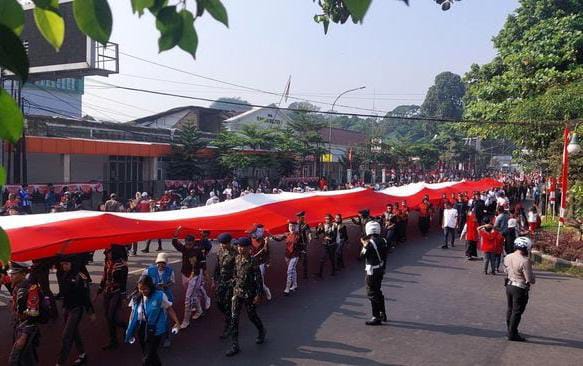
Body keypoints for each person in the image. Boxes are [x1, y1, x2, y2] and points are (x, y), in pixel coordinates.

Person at [125, 275, 181, 366]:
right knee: (150, 355)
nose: (143, 291)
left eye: (145, 289)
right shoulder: (136, 297)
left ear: (150, 287)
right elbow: (133, 314)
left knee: (147, 359)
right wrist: (129, 330)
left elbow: (169, 308)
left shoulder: (159, 296)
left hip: (155, 329)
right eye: (140, 289)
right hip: (142, 328)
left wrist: (177, 322)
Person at [226, 237, 266, 357]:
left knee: (252, 316)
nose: (239, 248)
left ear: (249, 248)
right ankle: (234, 345)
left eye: (242, 246)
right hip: (237, 293)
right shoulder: (237, 259)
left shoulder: (253, 261)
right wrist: (232, 283)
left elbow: (259, 279)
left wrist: (259, 295)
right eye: (238, 246)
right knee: (234, 318)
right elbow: (235, 273)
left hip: (249, 293)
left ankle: (261, 330)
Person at [56, 255, 95, 366]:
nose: (64, 266)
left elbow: (85, 296)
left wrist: (90, 311)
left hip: (76, 309)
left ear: (72, 264)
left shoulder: (80, 277)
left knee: (66, 336)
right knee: (74, 333)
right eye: (62, 264)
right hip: (67, 308)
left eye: (66, 264)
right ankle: (82, 354)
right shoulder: (63, 274)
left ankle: (60, 362)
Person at [8, 261, 41, 366]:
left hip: (26, 329)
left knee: (14, 360)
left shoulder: (29, 288)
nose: (11, 276)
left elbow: (33, 313)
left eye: (14, 274)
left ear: (23, 274)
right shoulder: (18, 287)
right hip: (19, 326)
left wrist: (24, 335)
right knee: (27, 358)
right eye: (11, 273)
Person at [96, 245, 129, 350]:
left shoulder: (122, 266)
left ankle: (126, 327)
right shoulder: (108, 262)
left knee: (111, 317)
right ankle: (113, 340)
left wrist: (123, 298)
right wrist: (99, 290)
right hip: (107, 292)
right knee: (107, 317)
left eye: (108, 251)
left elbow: (123, 283)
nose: (106, 253)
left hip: (117, 292)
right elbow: (104, 277)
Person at [504, 236, 535, 342]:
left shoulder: (508, 256)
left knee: (510, 308)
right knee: (517, 311)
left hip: (509, 285)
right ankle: (512, 334)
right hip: (520, 287)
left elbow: (506, 270)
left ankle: (510, 329)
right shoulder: (525, 261)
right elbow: (530, 279)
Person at [171, 230, 204, 328]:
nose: (188, 245)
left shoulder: (198, 250)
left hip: (194, 276)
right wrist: (176, 233)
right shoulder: (184, 248)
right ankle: (199, 310)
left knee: (188, 298)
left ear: (193, 243)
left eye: (190, 244)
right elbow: (174, 243)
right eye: (186, 243)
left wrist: (201, 275)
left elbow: (202, 263)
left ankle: (186, 321)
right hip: (184, 274)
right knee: (192, 295)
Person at [142, 253, 176, 347]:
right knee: (149, 317)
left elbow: (172, 282)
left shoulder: (170, 271)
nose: (161, 265)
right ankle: (150, 336)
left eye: (163, 263)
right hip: (152, 297)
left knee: (165, 318)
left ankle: (166, 337)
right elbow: (142, 281)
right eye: (159, 263)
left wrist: (165, 286)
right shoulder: (149, 270)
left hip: (164, 297)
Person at [360, 221, 388, 326]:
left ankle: (376, 316)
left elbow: (361, 257)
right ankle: (382, 313)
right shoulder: (383, 241)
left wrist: (364, 245)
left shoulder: (369, 244)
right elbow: (385, 256)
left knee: (371, 293)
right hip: (380, 268)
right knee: (378, 291)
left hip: (371, 271)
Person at [213, 233, 237, 339]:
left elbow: (238, 269)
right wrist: (214, 280)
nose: (222, 245)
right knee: (218, 302)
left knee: (227, 304)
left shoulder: (235, 253)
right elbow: (217, 266)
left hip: (231, 282)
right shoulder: (220, 252)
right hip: (221, 281)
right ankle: (231, 318)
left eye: (224, 243)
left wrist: (235, 281)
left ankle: (229, 327)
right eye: (221, 243)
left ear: (229, 243)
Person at [272, 220, 302, 295]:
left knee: (289, 271)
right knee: (293, 270)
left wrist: (297, 229)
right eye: (290, 226)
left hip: (295, 255)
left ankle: (287, 288)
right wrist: (272, 237)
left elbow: (299, 242)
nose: (291, 227)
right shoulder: (286, 234)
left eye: (293, 226)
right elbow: (279, 239)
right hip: (287, 255)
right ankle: (295, 284)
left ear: (295, 227)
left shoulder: (298, 235)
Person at [248, 224, 272, 301]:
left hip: (261, 262)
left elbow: (267, 252)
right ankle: (257, 295)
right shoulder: (250, 239)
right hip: (253, 263)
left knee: (260, 280)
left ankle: (266, 290)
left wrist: (268, 262)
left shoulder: (263, 240)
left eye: (252, 232)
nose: (251, 234)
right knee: (253, 279)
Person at [296, 211, 312, 280]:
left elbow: (308, 231)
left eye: (302, 218)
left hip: (303, 243)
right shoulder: (296, 224)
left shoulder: (305, 224)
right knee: (296, 257)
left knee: (305, 259)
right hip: (296, 243)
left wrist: (310, 236)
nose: (301, 219)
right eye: (300, 218)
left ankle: (305, 274)